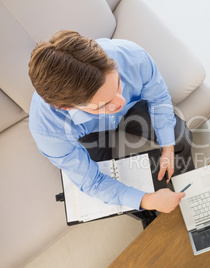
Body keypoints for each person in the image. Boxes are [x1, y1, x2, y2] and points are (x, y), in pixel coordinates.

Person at [28, 30, 195, 227]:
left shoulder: (132, 57)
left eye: (117, 85)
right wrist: (146, 200)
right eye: (102, 104)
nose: (120, 102)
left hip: (135, 109)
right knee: (112, 187)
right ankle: (147, 213)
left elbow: (158, 99)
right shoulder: (48, 130)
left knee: (179, 138)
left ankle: (186, 188)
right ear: (66, 107)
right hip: (88, 133)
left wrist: (167, 147)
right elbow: (93, 182)